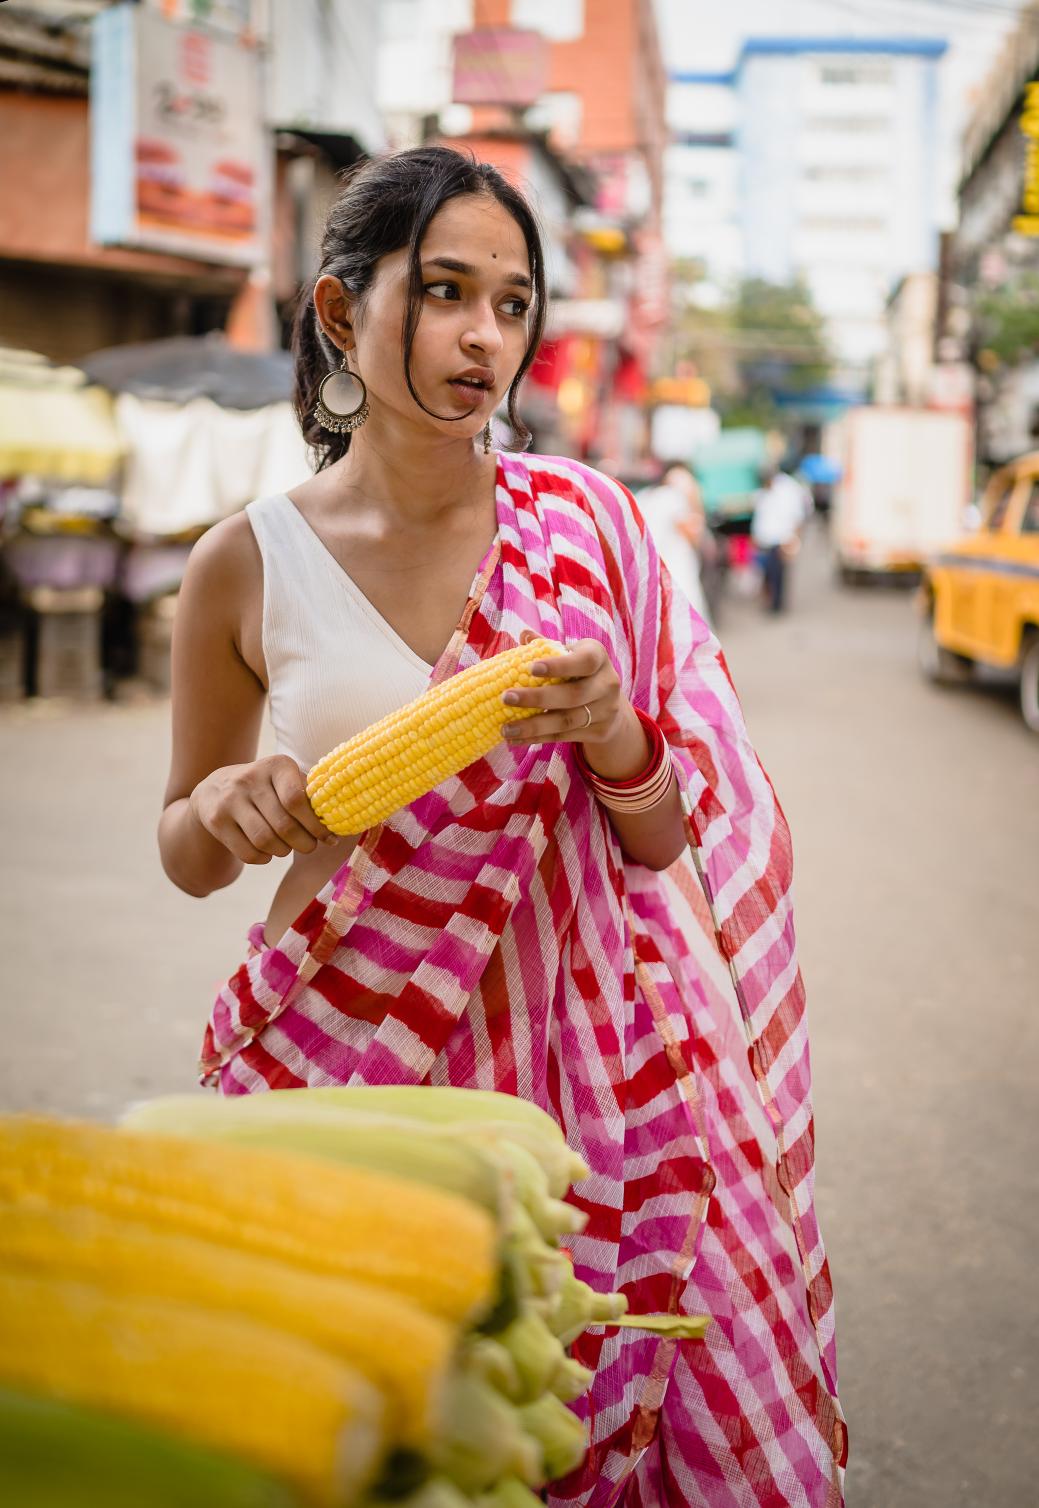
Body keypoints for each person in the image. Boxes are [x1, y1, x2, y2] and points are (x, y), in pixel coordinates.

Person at [158, 147, 845, 1507]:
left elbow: (666, 846)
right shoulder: (244, 561)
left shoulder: (588, 526)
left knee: (575, 1415)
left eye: (514, 303)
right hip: (350, 1067)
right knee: (383, 1441)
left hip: (586, 1086)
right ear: (343, 313)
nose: (484, 337)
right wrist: (222, 809)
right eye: (447, 291)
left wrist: (611, 737)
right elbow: (182, 850)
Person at [637, 462, 712, 625]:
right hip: (678, 567)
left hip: (652, 568)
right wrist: (695, 503)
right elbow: (693, 535)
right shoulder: (673, 498)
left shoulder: (644, 497)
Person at [751, 463, 812, 613]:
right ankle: (770, 602)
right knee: (766, 573)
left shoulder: (788, 490)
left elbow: (797, 516)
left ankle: (777, 605)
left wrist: (793, 540)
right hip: (765, 539)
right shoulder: (765, 491)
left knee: (778, 574)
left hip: (782, 539)